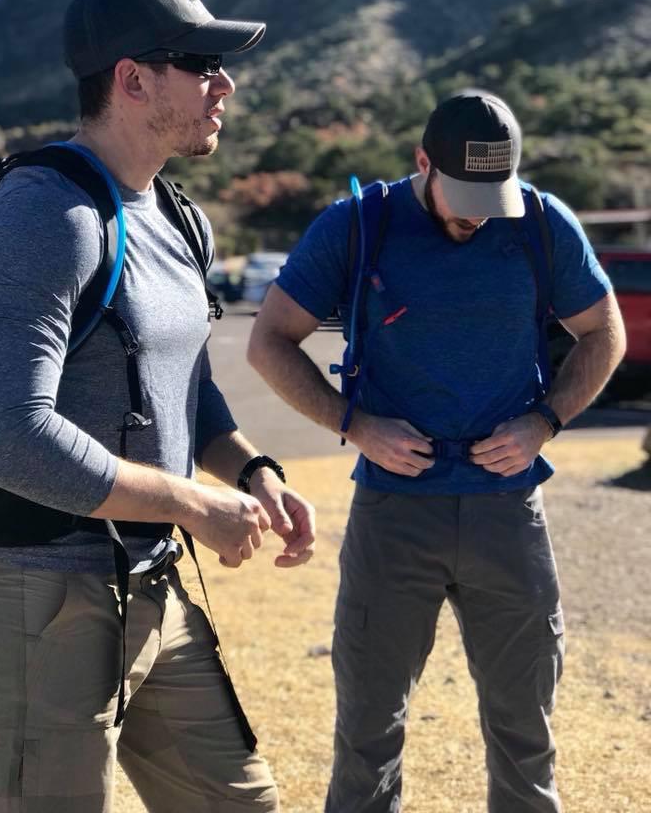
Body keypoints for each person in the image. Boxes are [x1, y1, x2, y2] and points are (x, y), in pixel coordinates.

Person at [0, 0, 315, 813]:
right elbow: (4, 433)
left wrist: (253, 469)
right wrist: (190, 503)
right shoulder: (46, 212)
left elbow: (184, 380)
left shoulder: (179, 216)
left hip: (151, 577)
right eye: (201, 61)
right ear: (133, 79)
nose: (224, 82)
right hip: (40, 593)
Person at [248, 90, 626, 813]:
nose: (478, 212)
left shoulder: (542, 224)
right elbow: (268, 340)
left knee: (526, 737)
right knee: (367, 737)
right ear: (422, 163)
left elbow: (605, 333)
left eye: (494, 195)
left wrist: (544, 422)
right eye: (463, 194)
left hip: (508, 515)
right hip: (394, 516)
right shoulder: (358, 225)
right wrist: (354, 425)